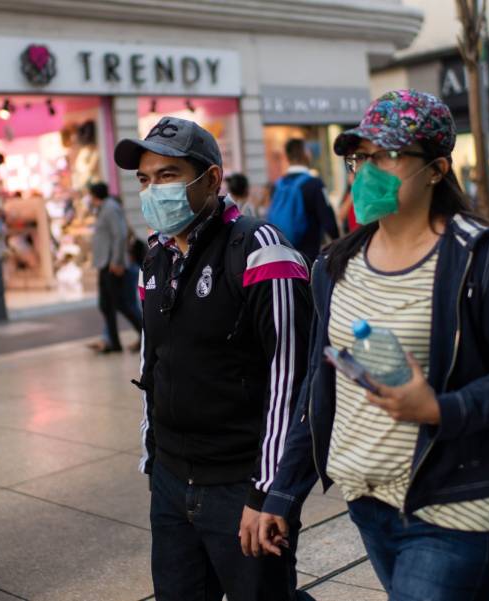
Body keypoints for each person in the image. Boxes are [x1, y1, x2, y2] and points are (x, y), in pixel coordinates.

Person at [256, 89, 489, 600]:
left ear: (437, 169)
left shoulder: (478, 259)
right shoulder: (333, 266)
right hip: (368, 503)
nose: (368, 170)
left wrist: (442, 408)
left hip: (458, 506)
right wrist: (282, 491)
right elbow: (317, 383)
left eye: (388, 156)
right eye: (361, 157)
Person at [115, 116, 315, 601]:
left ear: (211, 180)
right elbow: (152, 364)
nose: (152, 190)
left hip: (240, 486)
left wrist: (268, 494)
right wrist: (154, 458)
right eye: (144, 179)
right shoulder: (156, 257)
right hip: (172, 482)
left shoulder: (260, 251)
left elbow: (292, 382)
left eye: (167, 176)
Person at [89, 182, 142, 354]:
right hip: (105, 264)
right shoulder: (104, 208)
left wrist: (117, 261)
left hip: (112, 265)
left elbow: (120, 234)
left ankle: (147, 335)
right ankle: (113, 342)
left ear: (94, 195)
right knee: (105, 304)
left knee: (121, 304)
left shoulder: (111, 208)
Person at [268, 138, 339, 263]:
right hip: (308, 255)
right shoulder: (314, 184)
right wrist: (338, 243)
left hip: (282, 254)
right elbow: (329, 221)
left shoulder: (278, 185)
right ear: (305, 153)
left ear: (287, 157)